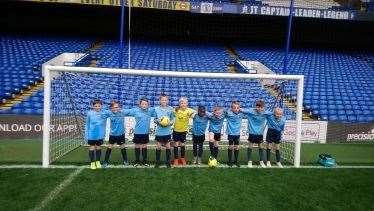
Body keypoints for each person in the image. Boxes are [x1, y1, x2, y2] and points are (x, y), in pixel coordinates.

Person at [129, 97, 156, 167]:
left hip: (145, 133)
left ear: (148, 105)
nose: (144, 105)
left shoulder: (150, 111)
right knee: (137, 146)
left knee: (144, 146)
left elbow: (159, 109)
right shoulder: (135, 111)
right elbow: (125, 111)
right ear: (140, 105)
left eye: (145, 104)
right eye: (143, 104)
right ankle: (137, 161)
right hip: (137, 133)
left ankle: (144, 161)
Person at [241, 99, 268, 168]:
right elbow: (241, 110)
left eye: (261, 107)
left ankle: (261, 161)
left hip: (260, 134)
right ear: (255, 106)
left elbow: (272, 113)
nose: (259, 108)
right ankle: (249, 161)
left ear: (263, 107)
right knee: (250, 146)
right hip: (252, 133)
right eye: (258, 107)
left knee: (261, 147)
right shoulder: (251, 111)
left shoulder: (265, 113)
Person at [102, 101, 130, 167]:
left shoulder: (123, 112)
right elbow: (101, 112)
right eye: (113, 107)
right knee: (109, 147)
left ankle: (125, 160)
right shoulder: (109, 113)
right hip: (112, 134)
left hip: (121, 134)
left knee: (122, 147)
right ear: (111, 108)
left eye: (117, 107)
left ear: (119, 107)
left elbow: (132, 111)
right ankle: (105, 161)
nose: (115, 109)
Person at [173, 97, 196, 166]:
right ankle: (176, 159)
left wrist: (192, 115)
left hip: (183, 131)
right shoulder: (176, 110)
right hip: (176, 130)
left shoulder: (189, 110)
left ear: (187, 104)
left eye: (185, 103)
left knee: (182, 144)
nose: (183, 104)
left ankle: (182, 158)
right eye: (182, 103)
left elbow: (195, 112)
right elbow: (169, 112)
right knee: (176, 144)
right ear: (179, 104)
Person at [85, 99, 107, 170]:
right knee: (92, 147)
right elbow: (87, 124)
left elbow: (104, 125)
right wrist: (86, 134)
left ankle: (97, 162)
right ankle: (92, 163)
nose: (97, 107)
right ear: (93, 106)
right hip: (92, 134)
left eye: (99, 106)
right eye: (96, 106)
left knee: (98, 147)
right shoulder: (89, 113)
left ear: (101, 106)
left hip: (100, 134)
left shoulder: (103, 113)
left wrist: (104, 134)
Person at [154, 94, 175, 168]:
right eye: (162, 100)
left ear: (167, 101)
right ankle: (157, 162)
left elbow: (173, 119)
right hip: (159, 131)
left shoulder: (171, 109)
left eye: (165, 100)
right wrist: (158, 121)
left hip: (167, 131)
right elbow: (155, 119)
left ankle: (168, 162)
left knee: (168, 146)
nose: (164, 101)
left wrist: (170, 123)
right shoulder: (156, 109)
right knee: (158, 147)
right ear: (160, 101)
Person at [225, 101, 245, 167]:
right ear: (232, 108)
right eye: (234, 108)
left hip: (237, 134)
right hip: (231, 133)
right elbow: (223, 111)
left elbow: (249, 111)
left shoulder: (241, 114)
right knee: (230, 147)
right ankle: (230, 161)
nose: (236, 109)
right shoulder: (228, 113)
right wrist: (229, 109)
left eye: (237, 108)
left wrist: (241, 109)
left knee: (236, 147)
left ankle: (236, 161)